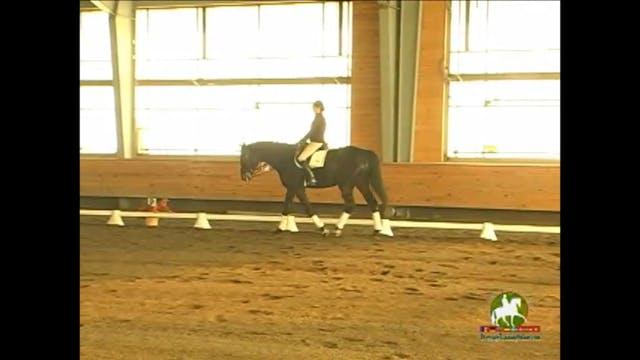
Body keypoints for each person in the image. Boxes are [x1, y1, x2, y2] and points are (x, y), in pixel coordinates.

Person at [297, 100, 326, 185]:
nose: (313, 109)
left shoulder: (319, 118)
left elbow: (312, 131)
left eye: (314, 107)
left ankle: (311, 178)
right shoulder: (318, 117)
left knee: (301, 158)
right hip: (316, 141)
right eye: (313, 107)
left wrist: (303, 140)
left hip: (316, 142)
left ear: (319, 108)